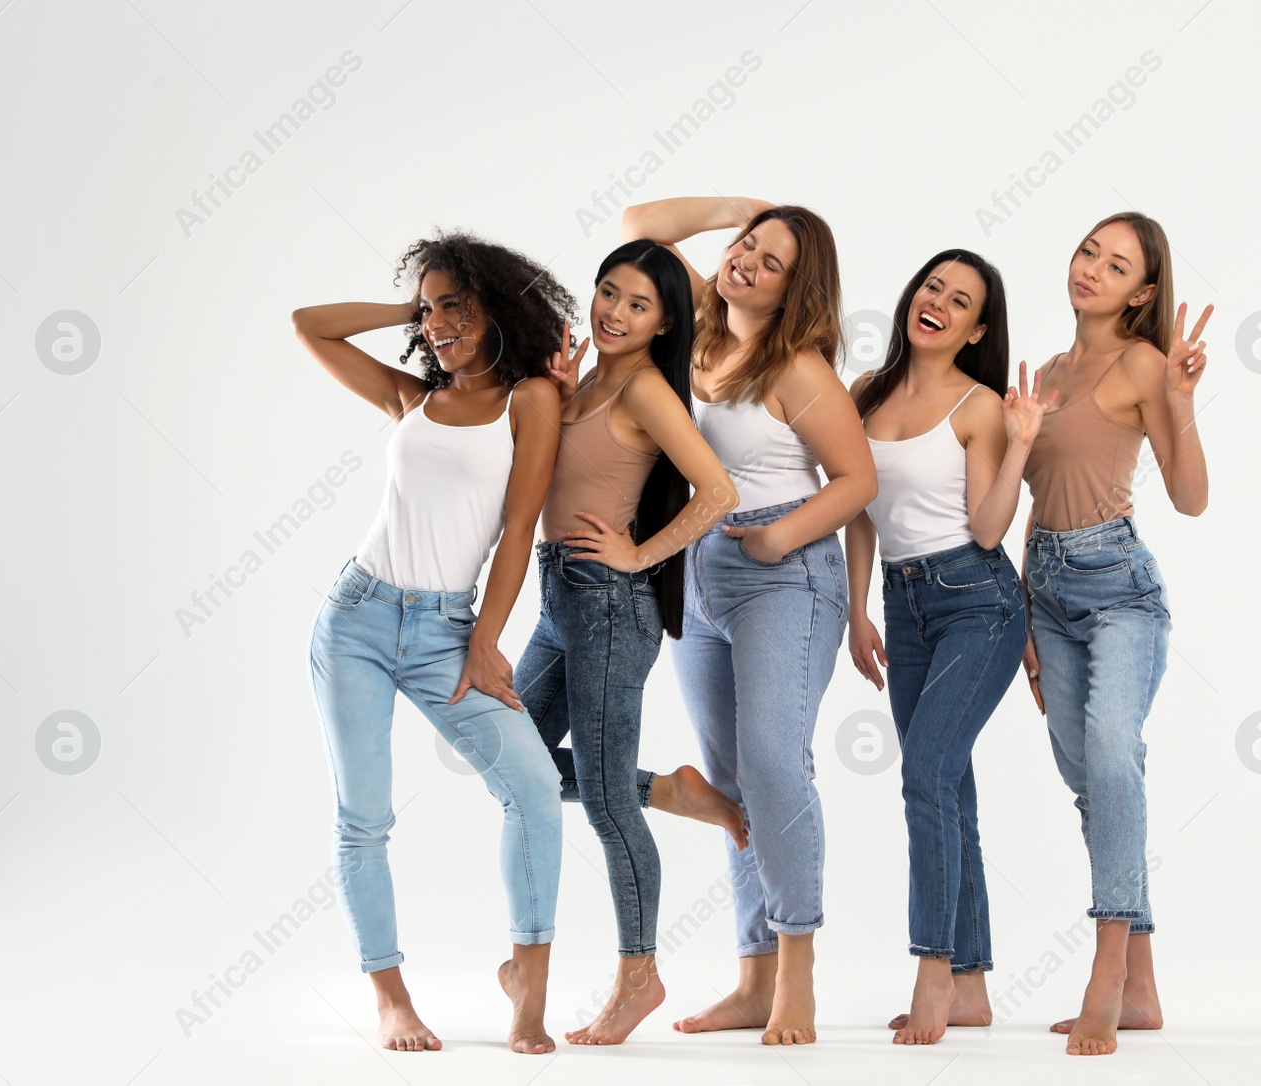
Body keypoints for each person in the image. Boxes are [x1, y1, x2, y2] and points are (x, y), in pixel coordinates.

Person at [294, 230, 583, 1054]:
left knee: (530, 786)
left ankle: (529, 984)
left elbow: (519, 529)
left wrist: (488, 642)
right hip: (355, 616)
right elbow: (308, 324)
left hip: (446, 632)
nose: (439, 322)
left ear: (499, 306)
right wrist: (409, 308)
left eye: (457, 303)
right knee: (365, 818)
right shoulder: (410, 399)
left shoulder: (530, 400)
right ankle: (390, 997)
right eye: (430, 309)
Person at [621, 196, 877, 1046]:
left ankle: (796, 976)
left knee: (773, 764)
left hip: (788, 577)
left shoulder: (797, 368)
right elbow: (639, 226)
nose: (747, 263)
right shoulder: (695, 325)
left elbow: (856, 481)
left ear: (795, 291)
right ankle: (751, 979)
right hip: (699, 575)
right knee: (729, 782)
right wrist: (752, 207)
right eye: (746, 247)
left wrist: (779, 538)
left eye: (772, 263)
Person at [512, 238, 750, 1045]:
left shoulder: (647, 388)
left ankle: (638, 976)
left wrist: (640, 555)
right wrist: (555, 390)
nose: (615, 311)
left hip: (610, 605)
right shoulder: (589, 375)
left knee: (606, 806)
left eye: (638, 304)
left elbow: (718, 490)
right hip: (558, 596)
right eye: (609, 292)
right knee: (510, 759)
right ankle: (668, 790)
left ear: (662, 325)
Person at [844, 250, 1052, 1044]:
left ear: (977, 329)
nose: (938, 303)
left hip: (981, 605)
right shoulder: (865, 395)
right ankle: (970, 987)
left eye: (959, 300)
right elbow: (860, 510)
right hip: (904, 606)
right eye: (933, 286)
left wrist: (1023, 442)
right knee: (948, 787)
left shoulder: (977, 406)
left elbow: (990, 530)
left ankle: (933, 969)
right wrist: (860, 611)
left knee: (926, 773)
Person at [1018, 212, 1211, 1056]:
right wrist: (1026, 615)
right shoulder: (1052, 370)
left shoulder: (1142, 365)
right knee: (1091, 776)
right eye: (1089, 250)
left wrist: (1180, 400)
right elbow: (1031, 502)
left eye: (1117, 263)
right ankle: (1144, 986)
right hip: (1048, 594)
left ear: (1143, 291)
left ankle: (1105, 974)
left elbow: (1192, 497)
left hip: (1120, 589)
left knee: (1108, 750)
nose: (1093, 267)